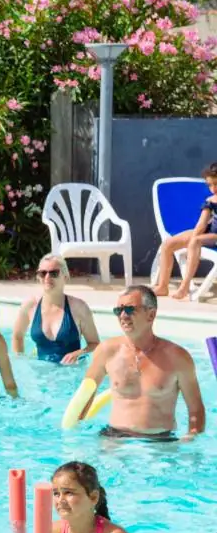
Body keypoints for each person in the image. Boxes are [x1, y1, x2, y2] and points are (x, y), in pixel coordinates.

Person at [81, 285, 205, 441]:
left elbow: (196, 408)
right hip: (114, 437)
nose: (123, 316)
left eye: (130, 309)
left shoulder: (178, 357)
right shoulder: (107, 351)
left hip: (160, 441)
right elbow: (85, 396)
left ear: (151, 315)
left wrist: (191, 436)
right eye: (118, 311)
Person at [11, 254, 101, 364]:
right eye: (43, 273)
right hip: (40, 374)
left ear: (65, 277)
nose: (47, 278)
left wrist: (79, 353)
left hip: (71, 373)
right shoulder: (30, 306)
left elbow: (95, 344)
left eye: (54, 273)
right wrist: (21, 362)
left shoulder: (79, 307)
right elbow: (17, 336)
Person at [151, 162, 217, 299]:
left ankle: (185, 286)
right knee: (168, 244)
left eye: (216, 184)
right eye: (210, 185)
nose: (213, 188)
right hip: (209, 232)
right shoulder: (210, 201)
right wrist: (194, 234)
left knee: (195, 241)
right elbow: (201, 224)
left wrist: (195, 238)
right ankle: (162, 286)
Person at [52, 461, 138, 533]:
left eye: (69, 492)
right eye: (56, 493)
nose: (60, 500)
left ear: (93, 497)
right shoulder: (53, 532)